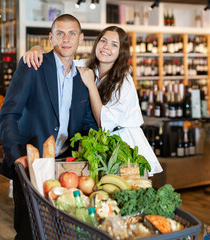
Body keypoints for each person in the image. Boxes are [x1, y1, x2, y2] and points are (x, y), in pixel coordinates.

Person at [0, 14, 98, 240]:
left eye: (72, 33)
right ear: (51, 37)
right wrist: (16, 157)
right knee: (30, 230)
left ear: (80, 38)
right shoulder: (33, 65)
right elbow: (7, 115)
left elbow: (88, 125)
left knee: (62, 232)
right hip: (32, 163)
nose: (66, 39)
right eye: (60, 33)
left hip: (67, 168)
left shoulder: (83, 78)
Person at [23, 26, 163, 176]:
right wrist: (36, 49)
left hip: (124, 147)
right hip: (101, 145)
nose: (106, 47)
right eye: (103, 41)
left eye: (114, 44)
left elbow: (104, 123)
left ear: (121, 52)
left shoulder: (124, 82)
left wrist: (90, 84)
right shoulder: (86, 66)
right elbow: (58, 60)